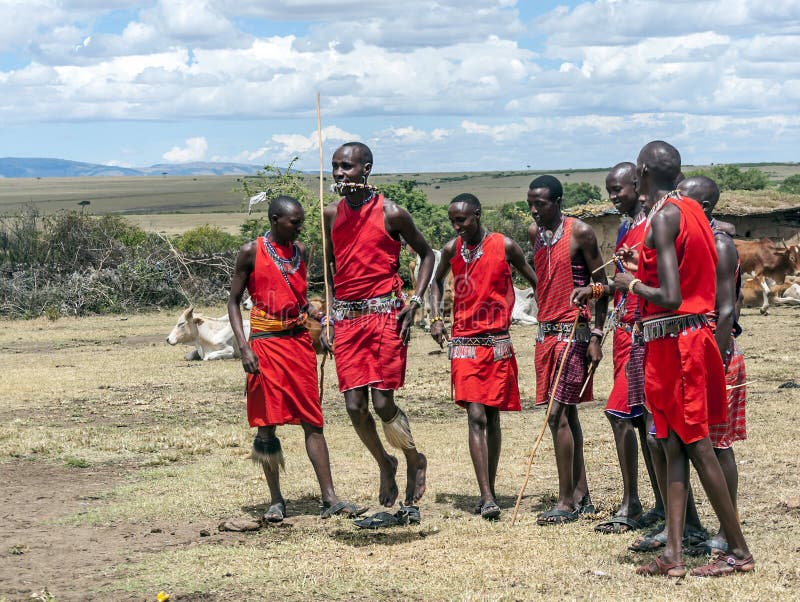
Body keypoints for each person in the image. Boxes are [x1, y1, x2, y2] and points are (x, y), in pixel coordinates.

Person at [612, 141, 754, 578]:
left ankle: (738, 551)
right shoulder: (689, 210)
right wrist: (643, 264)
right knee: (672, 444)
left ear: (642, 172)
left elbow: (671, 296)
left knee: (696, 444)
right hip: (675, 341)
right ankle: (673, 554)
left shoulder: (664, 216)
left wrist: (628, 284)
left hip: (678, 344)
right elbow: (681, 269)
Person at [227, 196, 365, 522]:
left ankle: (330, 498)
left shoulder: (300, 251)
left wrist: (320, 317)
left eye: (301, 221)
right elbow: (233, 302)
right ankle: (276, 501)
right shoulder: (251, 251)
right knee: (266, 424)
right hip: (265, 345)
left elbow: (299, 299)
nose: (300, 227)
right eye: (295, 222)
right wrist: (244, 348)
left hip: (299, 343)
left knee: (312, 420)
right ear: (275, 219)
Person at [321, 142, 432, 517]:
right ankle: (386, 463)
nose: (339, 173)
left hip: (386, 316)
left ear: (366, 169)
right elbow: (331, 271)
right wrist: (330, 317)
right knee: (354, 406)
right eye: (335, 166)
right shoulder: (330, 214)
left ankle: (414, 458)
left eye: (347, 167)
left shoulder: (391, 212)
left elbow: (427, 254)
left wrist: (414, 301)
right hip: (347, 320)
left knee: (383, 403)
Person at [429, 193, 537, 520]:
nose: (456, 226)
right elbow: (435, 282)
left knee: (492, 417)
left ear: (477, 214)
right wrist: (436, 317)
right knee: (475, 415)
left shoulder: (505, 246)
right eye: (452, 221)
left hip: (497, 343)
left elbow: (535, 281)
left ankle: (488, 488)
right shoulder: (451, 249)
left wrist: (553, 313)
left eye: (461, 220)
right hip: (464, 343)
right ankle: (487, 496)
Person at [572, 163, 664, 533]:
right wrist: (595, 290)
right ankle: (659, 504)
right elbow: (620, 283)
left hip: (644, 332)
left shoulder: (655, 223)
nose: (612, 197)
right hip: (623, 333)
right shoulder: (626, 226)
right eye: (609, 190)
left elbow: (656, 279)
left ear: (638, 185)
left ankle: (632, 503)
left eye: (618, 189)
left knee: (621, 413)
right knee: (640, 420)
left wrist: (628, 280)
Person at [527, 175, 608, 525]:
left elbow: (602, 284)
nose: (534, 210)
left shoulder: (581, 233)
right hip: (545, 335)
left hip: (573, 333)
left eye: (540, 204)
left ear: (558, 202)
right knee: (568, 414)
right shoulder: (534, 234)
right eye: (530, 204)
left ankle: (564, 503)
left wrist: (597, 335)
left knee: (557, 414)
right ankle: (582, 495)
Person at [678, 175, 748, 556]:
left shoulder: (721, 245)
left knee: (719, 445)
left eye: (683, 199)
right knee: (695, 443)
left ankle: (726, 530)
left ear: (703, 207)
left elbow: (725, 312)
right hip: (696, 354)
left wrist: (713, 363)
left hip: (717, 356)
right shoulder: (696, 240)